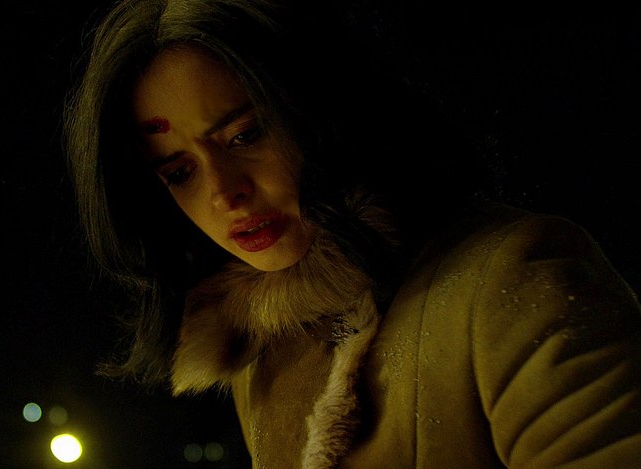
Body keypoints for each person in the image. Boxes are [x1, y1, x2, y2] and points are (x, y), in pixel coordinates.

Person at [63, 0, 641, 467]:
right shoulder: (260, 353)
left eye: (245, 135)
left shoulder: (512, 275)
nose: (223, 193)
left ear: (321, 110)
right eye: (179, 172)